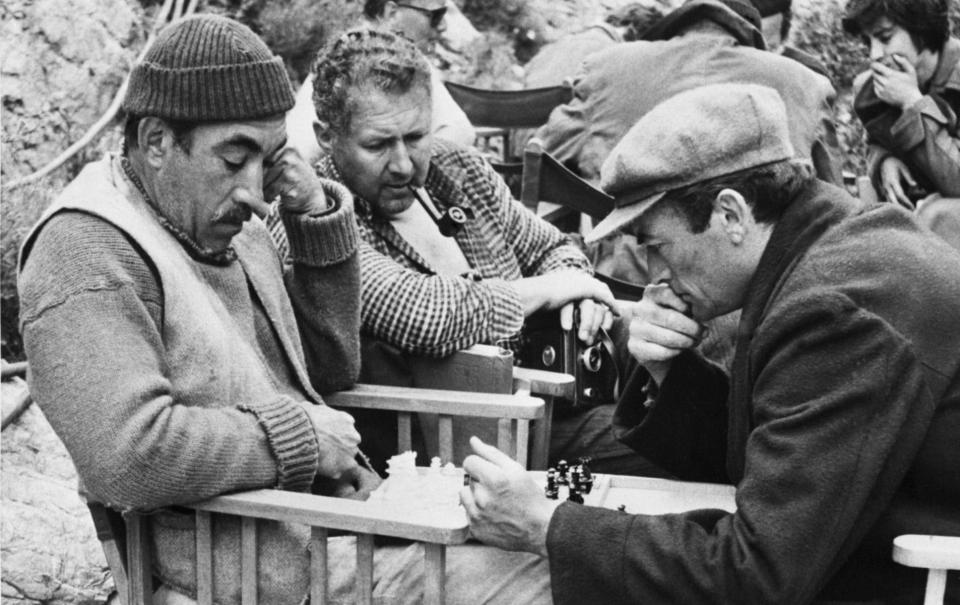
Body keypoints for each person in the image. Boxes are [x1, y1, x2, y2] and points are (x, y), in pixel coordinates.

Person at [18, 15, 551, 605]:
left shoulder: (229, 225)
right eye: (233, 158)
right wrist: (298, 437)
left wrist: (315, 219)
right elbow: (126, 456)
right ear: (156, 142)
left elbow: (327, 371)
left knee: (555, 546)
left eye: (269, 160)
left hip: (336, 528)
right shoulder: (84, 249)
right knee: (552, 575)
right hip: (254, 568)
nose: (255, 192)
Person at [460, 83, 960, 604]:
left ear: (730, 214)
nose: (656, 276)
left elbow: (755, 576)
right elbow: (766, 461)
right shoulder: (829, 250)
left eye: (657, 246)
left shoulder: (835, 312)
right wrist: (668, 371)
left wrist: (546, 524)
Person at [271, 27, 664, 477]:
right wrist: (549, 289)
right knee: (669, 444)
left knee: (683, 344)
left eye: (416, 136)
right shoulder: (314, 214)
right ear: (327, 135)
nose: (403, 163)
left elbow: (554, 247)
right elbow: (423, 314)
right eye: (377, 144)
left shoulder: (457, 171)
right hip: (444, 437)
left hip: (542, 396)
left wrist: (579, 296)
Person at [536, 0, 843, 185]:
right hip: (762, 289)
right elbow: (836, 207)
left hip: (623, 285)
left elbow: (540, 157)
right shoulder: (806, 84)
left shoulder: (606, 68)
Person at [286, 0, 475, 165]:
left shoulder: (341, 55)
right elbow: (460, 132)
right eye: (435, 15)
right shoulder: (396, 58)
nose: (441, 27)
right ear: (391, 13)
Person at [843, 0, 960, 251]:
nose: (874, 54)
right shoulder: (876, 86)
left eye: (885, 38)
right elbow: (874, 139)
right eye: (868, 42)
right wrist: (883, 161)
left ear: (921, 27)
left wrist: (912, 102)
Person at [523, 3, 667, 89]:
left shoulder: (565, 40)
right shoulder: (613, 56)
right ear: (634, 32)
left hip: (515, 124)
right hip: (551, 132)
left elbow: (527, 72)